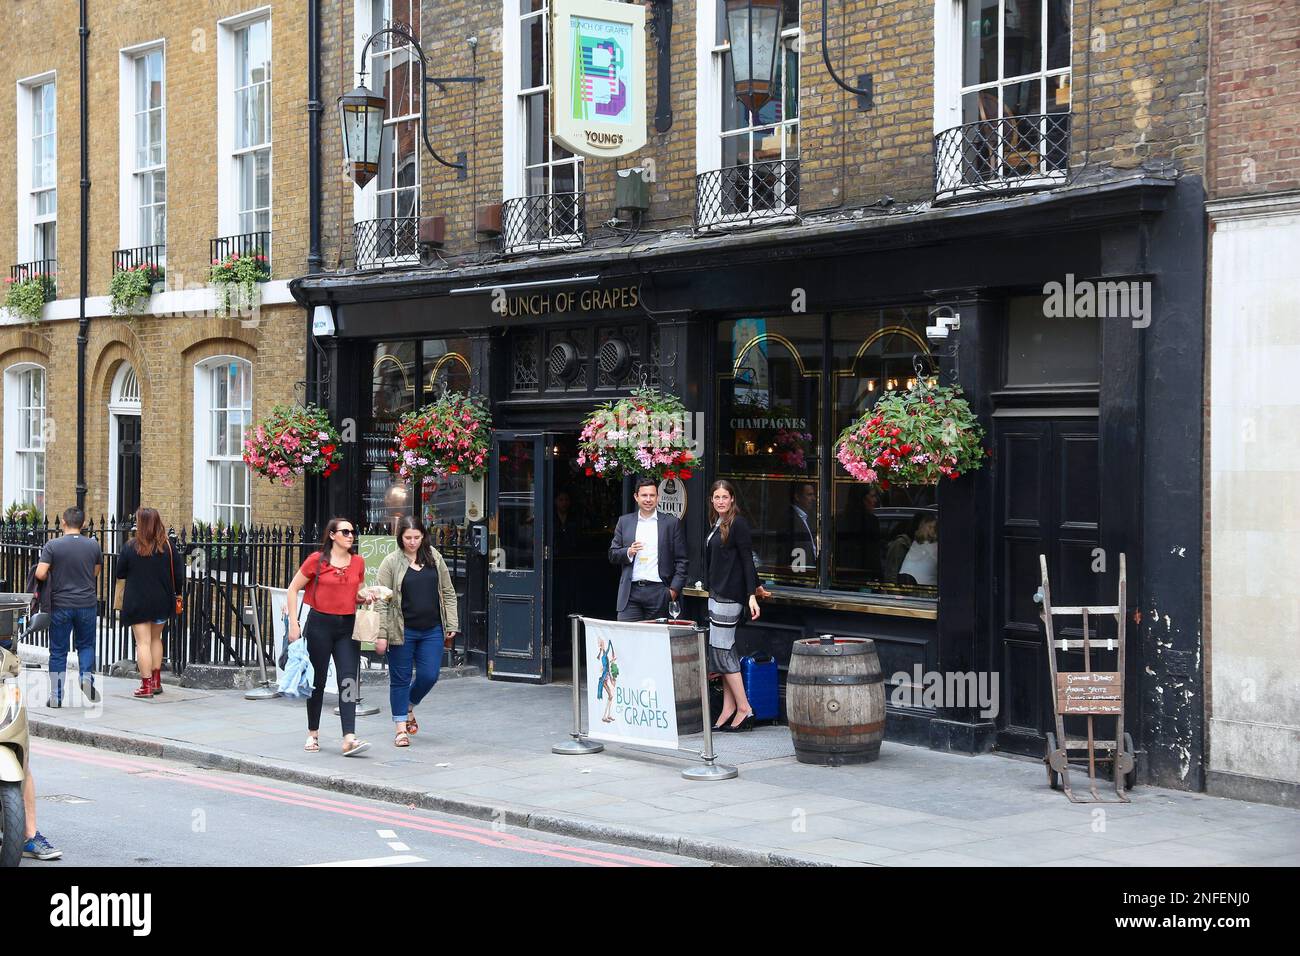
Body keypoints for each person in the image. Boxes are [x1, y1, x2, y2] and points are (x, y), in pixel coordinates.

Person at [285, 517, 376, 757]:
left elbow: (357, 593)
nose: (350, 535)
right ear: (332, 535)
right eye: (345, 532)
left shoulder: (358, 562)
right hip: (319, 625)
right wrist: (293, 623)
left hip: (347, 626)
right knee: (318, 681)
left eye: (352, 532)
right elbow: (293, 589)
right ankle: (313, 732)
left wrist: (366, 597)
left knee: (349, 680)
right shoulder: (316, 560)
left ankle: (349, 737)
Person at [374, 517, 460, 748]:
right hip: (402, 630)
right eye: (408, 538)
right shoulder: (391, 562)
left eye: (417, 537)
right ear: (400, 537)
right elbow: (381, 600)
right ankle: (400, 728)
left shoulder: (434, 557)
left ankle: (409, 704)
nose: (412, 542)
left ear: (423, 536)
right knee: (400, 679)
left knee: (429, 675)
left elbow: (448, 591)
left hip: (432, 629)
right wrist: (382, 634)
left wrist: (452, 623)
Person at [704, 480, 761, 732]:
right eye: (716, 497)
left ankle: (745, 707)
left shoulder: (738, 523)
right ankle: (729, 708)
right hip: (716, 593)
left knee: (723, 651)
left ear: (732, 499)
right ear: (712, 500)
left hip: (730, 595)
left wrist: (751, 594)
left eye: (724, 497)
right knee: (722, 649)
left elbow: (747, 559)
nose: (720, 501)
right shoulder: (717, 522)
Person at [35, 507, 103, 707]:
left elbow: (40, 573)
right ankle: (86, 678)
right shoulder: (93, 546)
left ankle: (56, 697)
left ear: (63, 522)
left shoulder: (53, 545)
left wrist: (53, 572)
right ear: (83, 524)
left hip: (61, 604)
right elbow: (95, 572)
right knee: (86, 645)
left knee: (58, 651)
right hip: (86, 603)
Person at [115, 508, 185, 699]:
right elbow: (178, 575)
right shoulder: (168, 546)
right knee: (156, 639)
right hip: (162, 600)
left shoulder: (130, 547)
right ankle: (156, 681)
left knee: (142, 643)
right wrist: (178, 593)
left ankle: (146, 686)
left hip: (137, 601)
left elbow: (120, 572)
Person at [609, 478, 688, 622]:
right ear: (636, 497)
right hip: (630, 593)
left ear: (658, 497)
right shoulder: (624, 522)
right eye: (644, 495)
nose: (648, 499)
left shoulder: (671, 523)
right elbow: (613, 554)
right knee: (626, 634)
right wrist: (628, 552)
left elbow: (682, 560)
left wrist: (673, 591)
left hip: (659, 591)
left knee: (657, 636)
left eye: (652, 495)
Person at [786, 481, 820, 577]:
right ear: (797, 497)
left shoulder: (809, 517)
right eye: (809, 495)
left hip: (809, 570)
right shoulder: (790, 518)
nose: (813, 498)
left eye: (813, 495)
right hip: (798, 573)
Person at [898, 515, 938, 586]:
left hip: (916, 585)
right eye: (930, 527)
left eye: (934, 528)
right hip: (919, 587)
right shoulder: (920, 544)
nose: (932, 530)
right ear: (923, 528)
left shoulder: (917, 543)